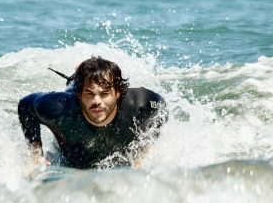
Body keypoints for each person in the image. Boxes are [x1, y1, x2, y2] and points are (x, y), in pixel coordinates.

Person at [18, 56, 167, 170]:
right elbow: (25, 105)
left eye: (104, 94)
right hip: (73, 91)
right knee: (77, 82)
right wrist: (36, 154)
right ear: (79, 96)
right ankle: (78, 75)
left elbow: (162, 110)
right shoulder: (59, 108)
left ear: (117, 94)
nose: (97, 101)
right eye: (89, 94)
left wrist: (143, 151)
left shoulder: (138, 103)